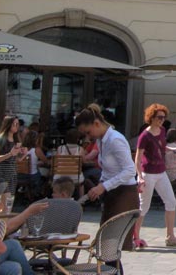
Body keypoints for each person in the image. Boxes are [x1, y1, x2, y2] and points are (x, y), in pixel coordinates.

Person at [75, 103, 139, 255]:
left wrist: (104, 186)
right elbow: (108, 169)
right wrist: (101, 185)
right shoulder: (101, 140)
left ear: (96, 124)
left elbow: (130, 170)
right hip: (113, 194)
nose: (88, 137)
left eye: (88, 132)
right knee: (107, 246)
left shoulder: (115, 140)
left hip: (124, 194)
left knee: (111, 246)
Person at [131, 104, 176, 249]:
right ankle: (134, 237)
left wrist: (172, 148)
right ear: (151, 118)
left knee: (171, 201)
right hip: (148, 173)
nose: (162, 120)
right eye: (159, 117)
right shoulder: (144, 136)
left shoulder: (162, 131)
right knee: (144, 206)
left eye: (164, 117)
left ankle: (170, 237)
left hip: (161, 172)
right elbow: (138, 158)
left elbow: (161, 147)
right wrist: (140, 176)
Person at [0, 116, 24, 214]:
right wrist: (10, 154)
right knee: (2, 204)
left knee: (6, 206)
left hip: (12, 174)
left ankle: (2, 226)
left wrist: (22, 154)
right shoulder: (0, 139)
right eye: (14, 124)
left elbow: (16, 159)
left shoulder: (16, 140)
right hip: (0, 173)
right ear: (7, 125)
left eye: (17, 124)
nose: (16, 126)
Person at [51, 128, 85, 196]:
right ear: (77, 139)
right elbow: (83, 161)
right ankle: (81, 201)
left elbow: (56, 162)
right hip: (75, 178)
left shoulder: (60, 148)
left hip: (60, 177)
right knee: (81, 184)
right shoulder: (80, 149)